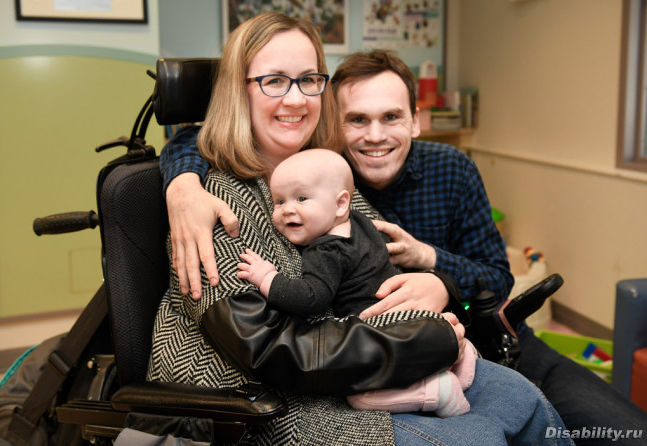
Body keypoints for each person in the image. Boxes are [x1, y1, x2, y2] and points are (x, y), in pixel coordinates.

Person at [160, 42, 647, 444]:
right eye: (357, 120)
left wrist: (436, 275)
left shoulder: (438, 171)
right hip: (392, 352)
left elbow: (493, 280)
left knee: (604, 427)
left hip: (476, 332)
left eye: (391, 117)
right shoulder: (306, 176)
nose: (375, 137)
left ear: (414, 120)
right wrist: (181, 181)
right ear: (335, 126)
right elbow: (203, 138)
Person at [237, 148, 476, 417]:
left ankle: (436, 391)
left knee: (359, 397)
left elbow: (310, 298)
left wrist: (268, 278)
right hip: (411, 316)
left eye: (301, 198)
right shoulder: (362, 223)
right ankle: (463, 358)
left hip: (381, 329)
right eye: (279, 201)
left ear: (341, 204)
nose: (287, 210)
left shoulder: (326, 250)